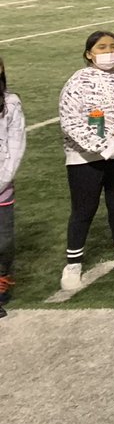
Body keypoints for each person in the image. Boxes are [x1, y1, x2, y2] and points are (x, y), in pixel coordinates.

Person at [58, 31, 114, 290]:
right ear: (89, 53)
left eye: (113, 46)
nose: (108, 51)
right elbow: (70, 120)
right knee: (83, 209)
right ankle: (73, 263)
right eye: (102, 47)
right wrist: (100, 146)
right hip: (85, 157)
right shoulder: (77, 82)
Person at [0, 55, 26, 315]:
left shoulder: (10, 102)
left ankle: (2, 278)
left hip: (1, 186)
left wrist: (2, 179)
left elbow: (15, 145)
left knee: (3, 242)